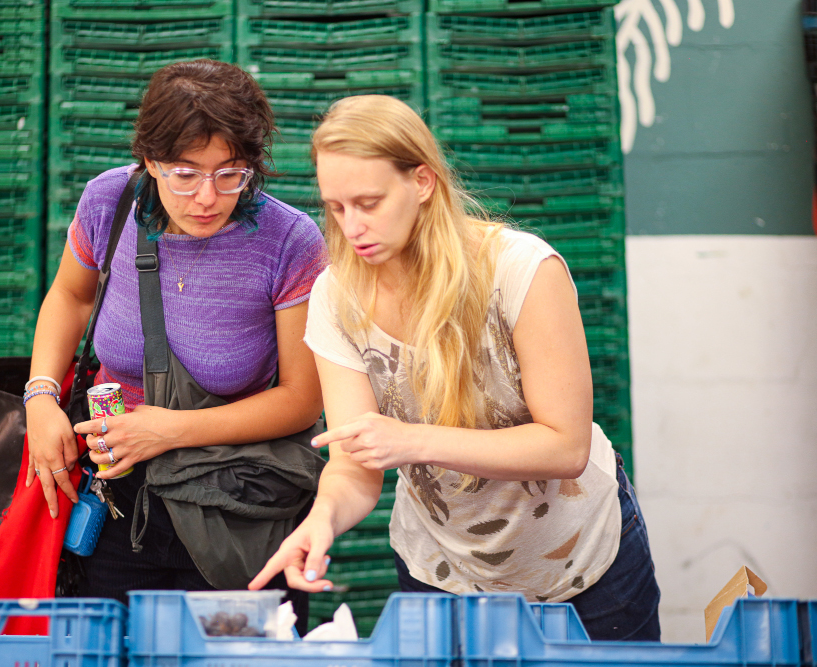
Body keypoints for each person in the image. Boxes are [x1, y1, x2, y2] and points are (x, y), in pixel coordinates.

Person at [249, 95, 661, 641]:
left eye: (369, 202)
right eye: (337, 207)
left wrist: (412, 440)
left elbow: (565, 447)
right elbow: (356, 462)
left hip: (583, 572)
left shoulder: (521, 269)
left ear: (423, 182)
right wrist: (320, 521)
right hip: (441, 571)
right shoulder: (335, 295)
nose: (351, 226)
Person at [22, 60, 327, 617]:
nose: (207, 197)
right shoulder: (109, 203)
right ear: (149, 160)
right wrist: (40, 396)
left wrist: (170, 430)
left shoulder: (290, 241)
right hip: (115, 496)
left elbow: (303, 398)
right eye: (184, 174)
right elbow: (70, 296)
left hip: (240, 505)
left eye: (231, 173)